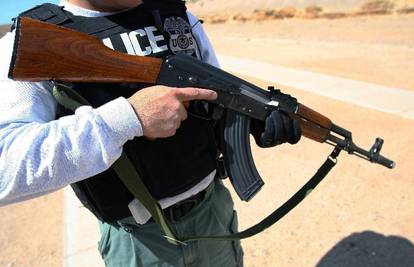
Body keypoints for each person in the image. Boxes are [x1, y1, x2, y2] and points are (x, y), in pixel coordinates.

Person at [0, 0, 301, 266]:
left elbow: (215, 98)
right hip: (139, 241)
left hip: (214, 214)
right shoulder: (32, 40)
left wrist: (252, 119)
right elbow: (5, 167)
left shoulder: (177, 16)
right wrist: (128, 118)